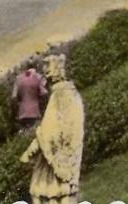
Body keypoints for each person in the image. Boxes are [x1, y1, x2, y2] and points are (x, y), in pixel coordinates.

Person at [21, 54, 84, 204]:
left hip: (55, 160)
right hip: (67, 157)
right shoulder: (71, 93)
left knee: (45, 195)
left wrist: (31, 151)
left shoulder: (59, 95)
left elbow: (48, 131)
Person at [12, 61, 48, 128]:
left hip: (22, 113)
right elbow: (44, 93)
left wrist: (19, 104)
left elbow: (14, 96)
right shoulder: (37, 77)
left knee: (25, 132)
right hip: (35, 111)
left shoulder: (18, 79)